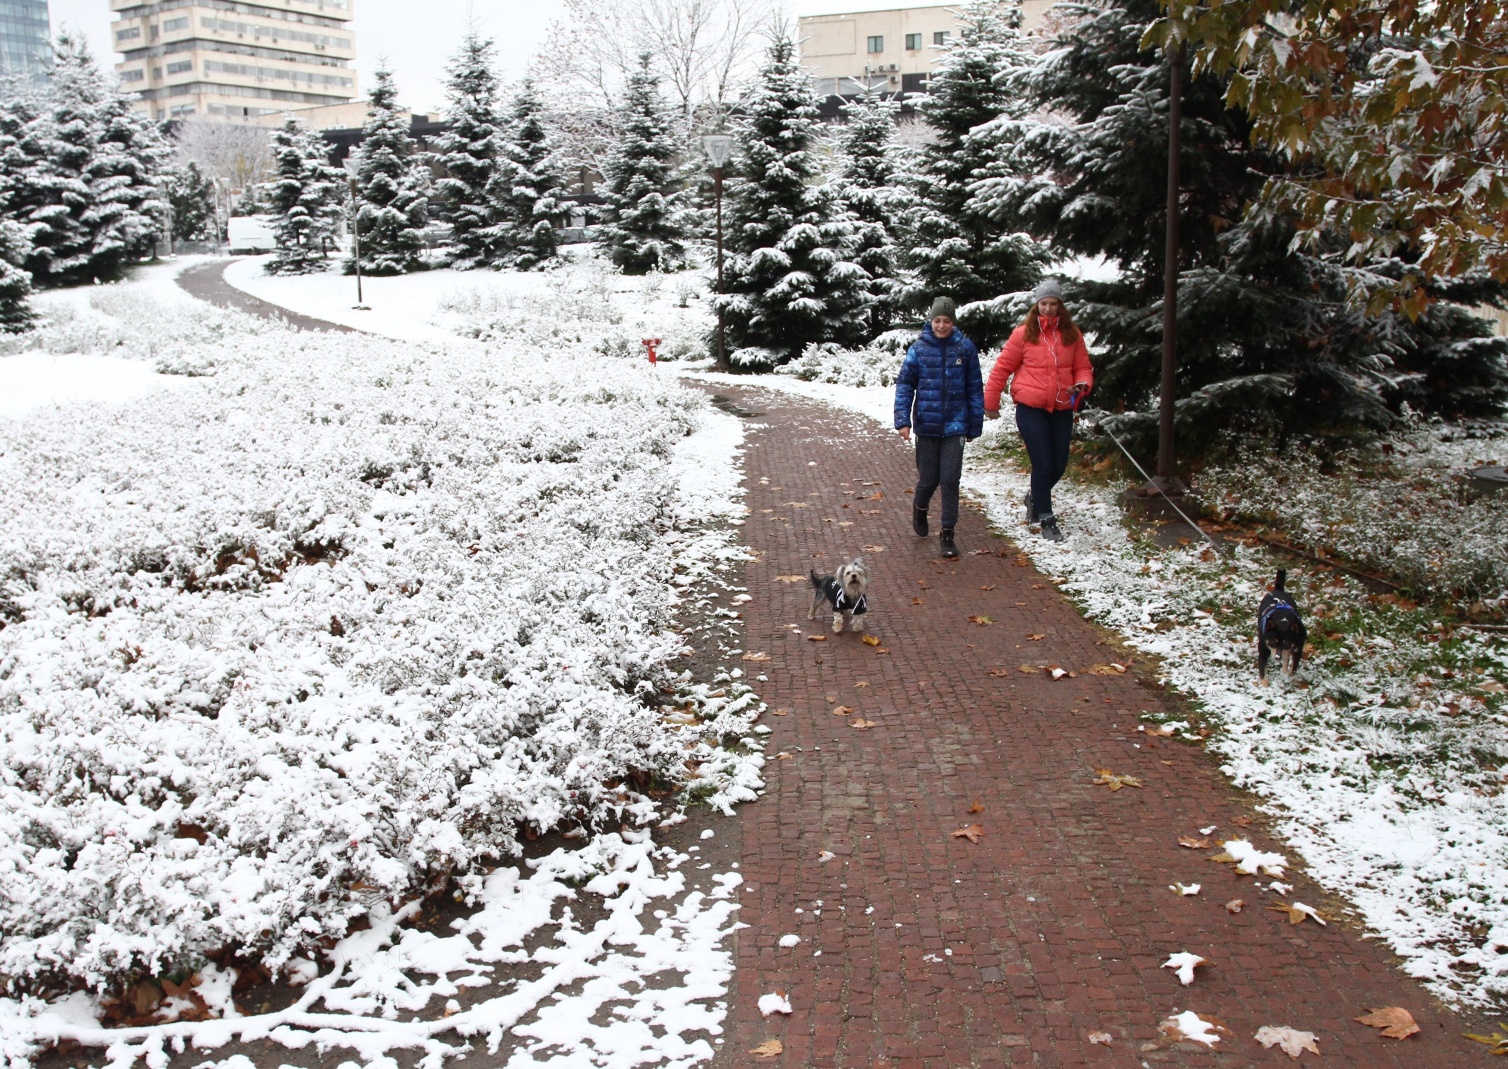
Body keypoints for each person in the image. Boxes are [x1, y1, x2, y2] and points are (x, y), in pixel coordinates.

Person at [984, 279, 1094, 542]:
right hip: (1030, 408)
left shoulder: (1072, 334)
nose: (1048, 308)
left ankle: (1034, 497)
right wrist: (991, 402)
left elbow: (1082, 366)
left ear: (1060, 306)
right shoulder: (1023, 334)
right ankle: (1046, 518)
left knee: (1059, 464)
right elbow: (1002, 368)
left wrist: (1083, 383)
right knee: (1043, 463)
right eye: (1044, 303)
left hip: (1061, 407)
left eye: (1053, 304)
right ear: (1037, 305)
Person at [894, 296, 984, 559]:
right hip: (927, 425)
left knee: (950, 480)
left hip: (956, 425)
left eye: (946, 321)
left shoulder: (965, 349)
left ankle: (947, 533)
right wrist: (902, 420)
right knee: (928, 480)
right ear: (930, 321)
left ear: (953, 322)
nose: (942, 326)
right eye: (937, 320)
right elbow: (905, 385)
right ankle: (920, 507)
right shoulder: (919, 349)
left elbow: (974, 388)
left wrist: (974, 424)